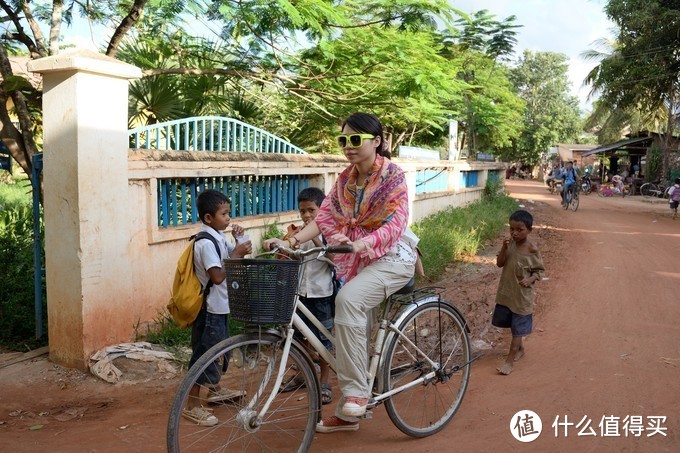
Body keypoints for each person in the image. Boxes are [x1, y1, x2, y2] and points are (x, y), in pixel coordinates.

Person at [265, 112, 416, 433]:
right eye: (343, 140)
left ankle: (356, 394)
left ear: (376, 142)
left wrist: (365, 244)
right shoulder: (345, 179)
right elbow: (324, 219)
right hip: (357, 259)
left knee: (346, 301)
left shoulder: (393, 177)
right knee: (354, 328)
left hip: (392, 257)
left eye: (356, 140)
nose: (348, 146)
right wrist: (288, 240)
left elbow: (397, 223)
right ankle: (351, 413)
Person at [182, 189, 252, 426]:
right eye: (224, 214)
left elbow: (242, 254)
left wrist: (239, 241)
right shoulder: (205, 243)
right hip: (209, 310)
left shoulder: (217, 237)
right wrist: (236, 253)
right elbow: (218, 277)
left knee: (219, 352)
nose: (228, 218)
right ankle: (191, 405)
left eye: (229, 213)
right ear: (208, 218)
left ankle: (214, 390)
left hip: (220, 307)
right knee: (205, 356)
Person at [281, 187, 337, 405]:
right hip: (300, 294)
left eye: (311, 210)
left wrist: (315, 240)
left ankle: (324, 381)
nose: (306, 215)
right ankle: (303, 371)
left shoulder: (328, 232)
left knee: (323, 339)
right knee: (296, 337)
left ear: (322, 209)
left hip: (321, 294)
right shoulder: (297, 234)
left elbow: (333, 258)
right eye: (302, 211)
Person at [492, 210, 545, 375]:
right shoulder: (510, 244)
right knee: (512, 325)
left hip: (522, 297)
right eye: (511, 229)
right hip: (508, 293)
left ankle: (509, 361)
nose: (514, 233)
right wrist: (503, 247)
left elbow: (540, 272)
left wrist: (530, 280)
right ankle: (521, 348)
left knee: (517, 329)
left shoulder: (532, 249)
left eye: (519, 230)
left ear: (529, 230)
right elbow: (500, 263)